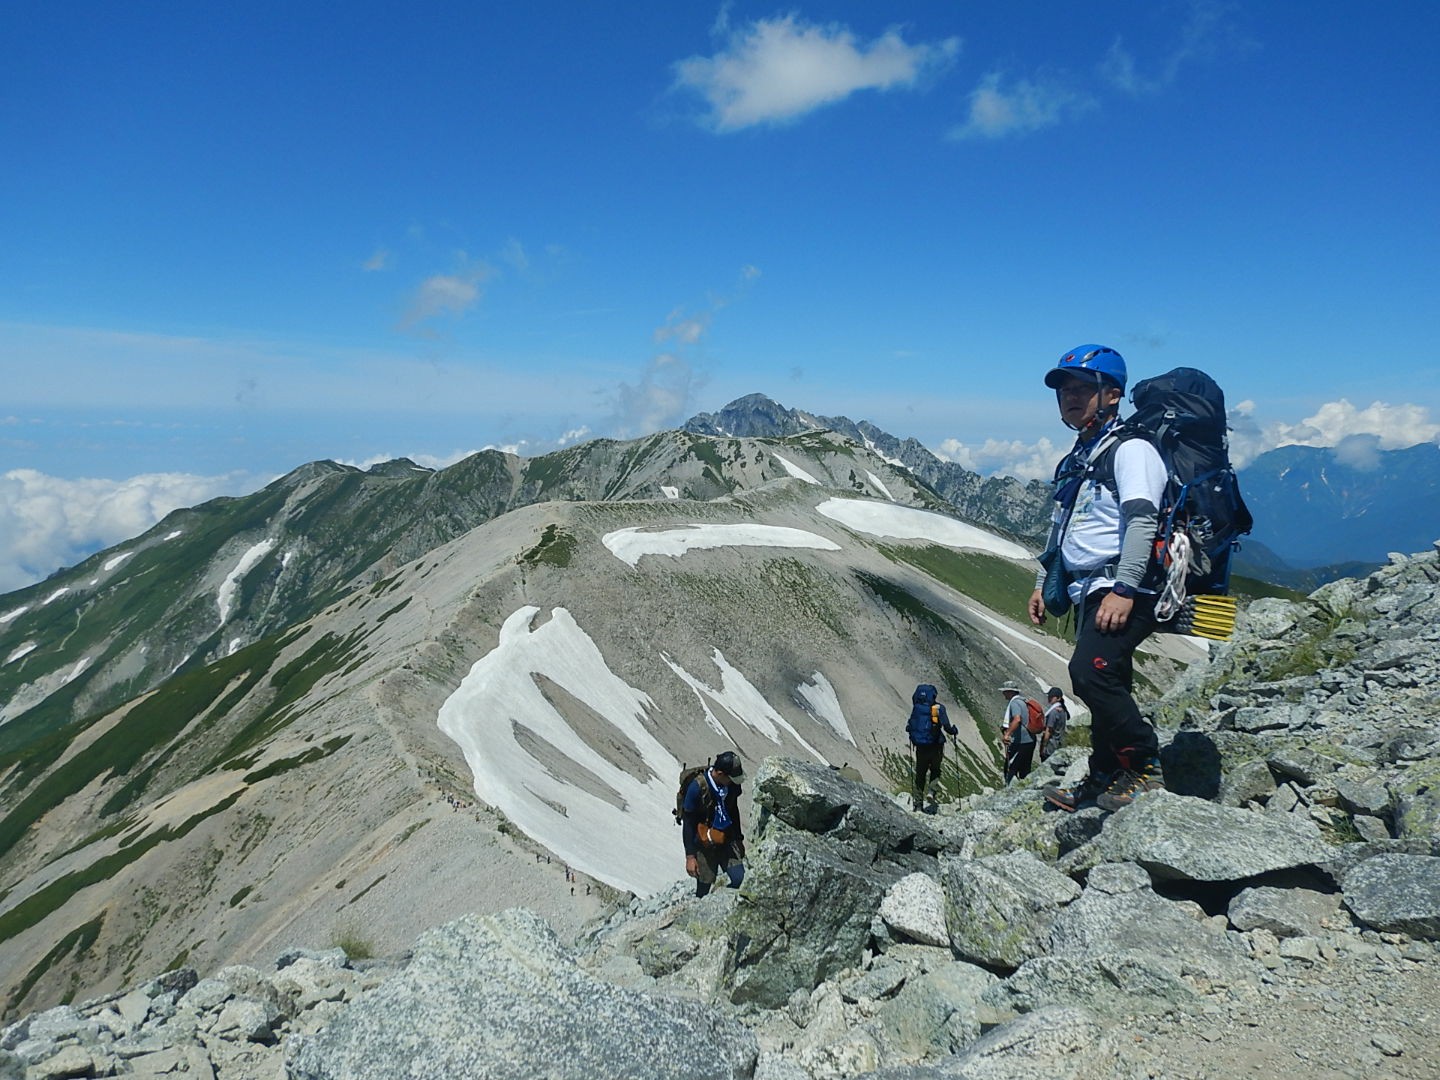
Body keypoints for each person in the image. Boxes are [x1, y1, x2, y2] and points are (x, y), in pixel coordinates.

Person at [1029, 344, 1167, 812]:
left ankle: (1145, 767)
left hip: (1123, 586)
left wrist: (1125, 588)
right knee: (1111, 677)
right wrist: (1042, 583)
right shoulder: (1084, 454)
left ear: (1112, 395)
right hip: (1088, 587)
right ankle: (1105, 776)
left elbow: (1143, 520)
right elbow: (1063, 527)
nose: (1070, 396)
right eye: (1065, 388)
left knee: (1090, 674)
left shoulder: (1132, 450)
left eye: (1083, 388)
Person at [681, 750, 746, 896]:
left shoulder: (732, 786)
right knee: (705, 883)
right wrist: (690, 857)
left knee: (739, 877)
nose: (734, 782)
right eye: (731, 778)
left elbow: (733, 810)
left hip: (727, 837)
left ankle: (725, 903)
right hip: (703, 842)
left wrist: (738, 839)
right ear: (720, 773)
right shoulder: (696, 788)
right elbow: (689, 823)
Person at [905, 684, 958, 810]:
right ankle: (931, 791)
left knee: (920, 775)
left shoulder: (917, 709)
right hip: (936, 746)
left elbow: (910, 726)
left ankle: (918, 805)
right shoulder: (939, 709)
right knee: (935, 770)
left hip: (921, 747)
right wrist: (954, 731)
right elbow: (947, 727)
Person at [999, 682, 1036, 781]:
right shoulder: (1023, 701)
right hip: (1030, 740)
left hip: (1021, 741)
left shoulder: (1014, 703)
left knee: (1011, 768)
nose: (1003, 694)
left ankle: (1009, 791)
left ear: (1010, 692)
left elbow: (1017, 719)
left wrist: (1007, 734)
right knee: (1025, 769)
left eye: (1005, 692)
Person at [1040, 686, 1069, 762]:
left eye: (1052, 697)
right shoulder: (1062, 710)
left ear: (1058, 698)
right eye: (1049, 696)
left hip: (1050, 745)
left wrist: (1044, 746)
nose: (1049, 698)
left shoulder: (1053, 712)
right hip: (1058, 744)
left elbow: (1048, 730)